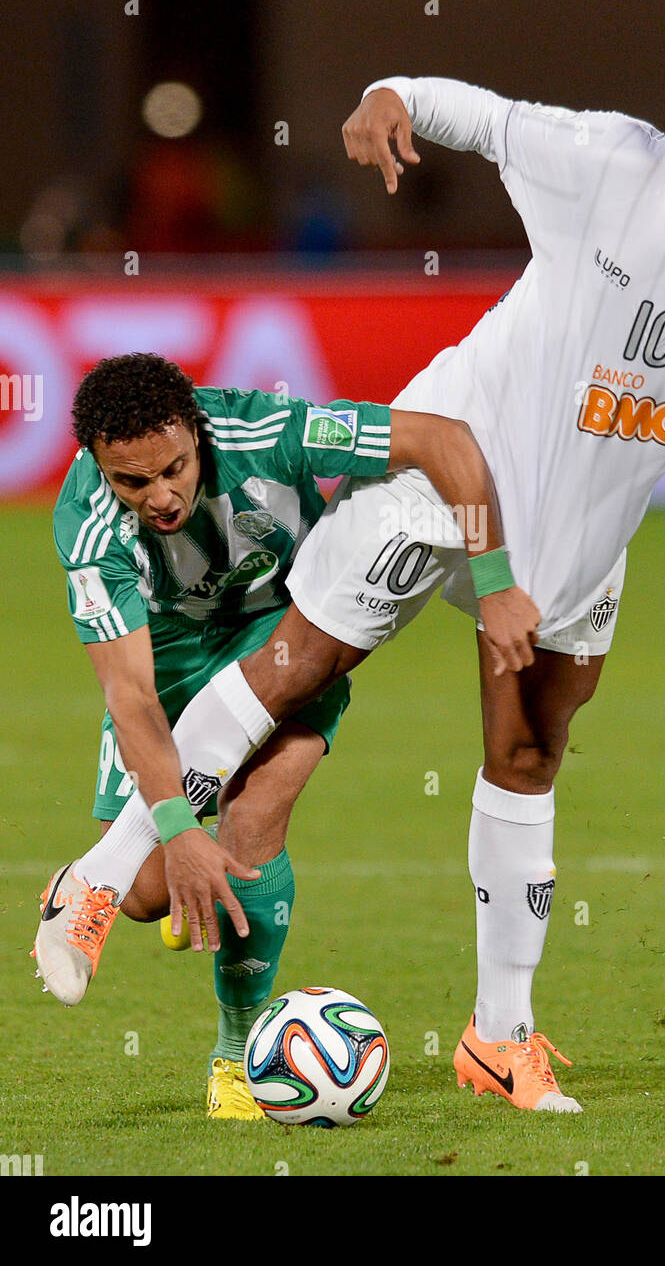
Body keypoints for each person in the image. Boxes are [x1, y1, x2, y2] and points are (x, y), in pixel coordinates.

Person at [40, 49, 665, 1116]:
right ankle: (100, 879)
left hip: (575, 538)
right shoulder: (611, 157)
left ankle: (497, 1037)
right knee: (296, 663)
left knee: (525, 753)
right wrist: (391, 96)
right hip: (450, 457)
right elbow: (483, 113)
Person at [34, 352, 539, 1118]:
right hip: (165, 658)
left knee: (253, 824)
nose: (161, 497)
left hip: (288, 636)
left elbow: (446, 441)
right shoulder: (86, 522)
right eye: (132, 482)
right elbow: (131, 694)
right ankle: (96, 880)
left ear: (195, 431)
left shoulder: (268, 427)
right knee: (145, 896)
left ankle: (235, 1061)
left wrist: (493, 575)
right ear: (101, 467)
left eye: (173, 468)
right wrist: (175, 826)